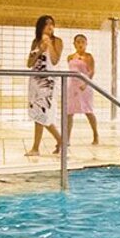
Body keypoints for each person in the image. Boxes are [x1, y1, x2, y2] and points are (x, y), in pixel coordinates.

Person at [26, 14, 64, 156]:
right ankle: (61, 140)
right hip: (35, 80)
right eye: (47, 24)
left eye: (52, 24)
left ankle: (36, 148)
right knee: (39, 114)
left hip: (48, 82)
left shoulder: (57, 41)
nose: (50, 27)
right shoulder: (35, 41)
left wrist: (49, 45)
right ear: (41, 26)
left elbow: (54, 61)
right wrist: (40, 49)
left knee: (41, 113)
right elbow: (29, 64)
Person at [65, 34, 99, 146]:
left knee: (88, 111)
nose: (80, 44)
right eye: (78, 42)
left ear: (86, 44)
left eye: (83, 42)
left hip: (84, 86)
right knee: (69, 113)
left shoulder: (88, 57)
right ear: (74, 43)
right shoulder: (70, 57)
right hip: (72, 86)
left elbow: (92, 71)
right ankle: (67, 138)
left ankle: (95, 135)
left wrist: (86, 83)